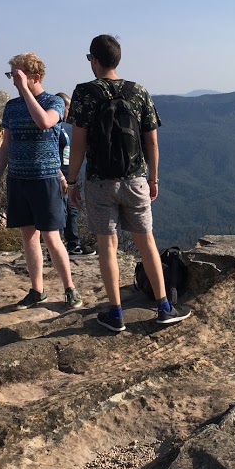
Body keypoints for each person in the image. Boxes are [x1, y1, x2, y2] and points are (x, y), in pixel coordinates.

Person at [66, 34, 190, 332]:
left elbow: (78, 141)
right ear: (117, 60)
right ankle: (163, 306)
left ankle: (116, 314)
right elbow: (152, 141)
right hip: (135, 181)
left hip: (99, 183)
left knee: (107, 246)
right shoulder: (139, 92)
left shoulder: (84, 93)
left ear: (94, 60)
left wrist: (72, 182)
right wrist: (153, 178)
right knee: (146, 242)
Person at [0, 52, 83, 310]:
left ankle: (69, 289)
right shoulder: (11, 107)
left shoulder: (54, 102)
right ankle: (36, 290)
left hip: (46, 179)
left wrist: (26, 92)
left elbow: (44, 122)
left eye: (17, 76)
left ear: (35, 77)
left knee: (52, 237)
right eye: (12, 76)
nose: (14, 82)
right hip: (19, 179)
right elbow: (6, 145)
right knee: (29, 237)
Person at [55, 92, 94, 259]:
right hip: (58, 177)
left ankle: (73, 245)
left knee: (71, 211)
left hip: (67, 176)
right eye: (68, 107)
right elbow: (50, 154)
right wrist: (62, 177)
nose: (70, 112)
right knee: (62, 213)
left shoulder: (62, 128)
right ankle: (58, 249)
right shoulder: (53, 128)